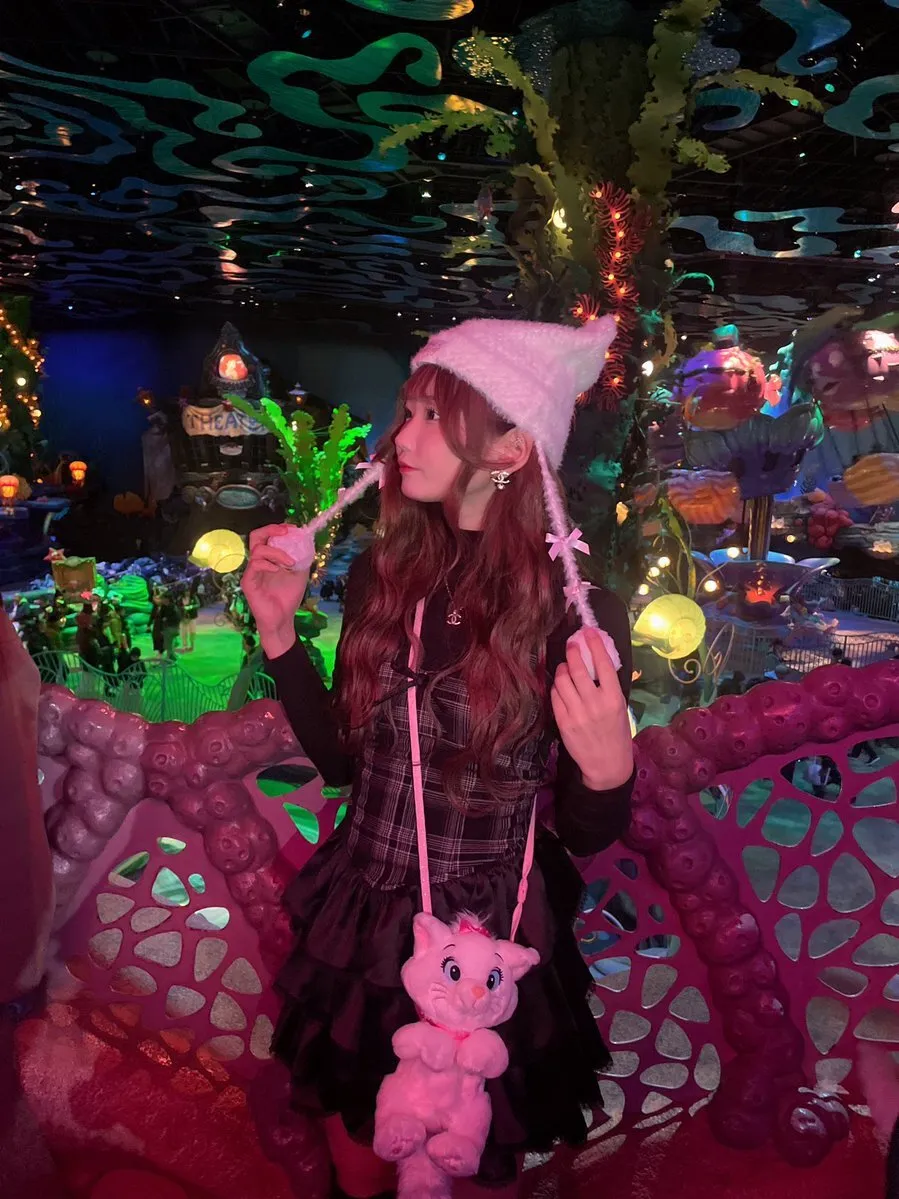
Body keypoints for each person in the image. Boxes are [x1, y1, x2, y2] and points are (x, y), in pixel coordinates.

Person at [242, 316, 633, 1198]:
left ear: (508, 449)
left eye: (431, 418)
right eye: (406, 411)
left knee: (472, 1154)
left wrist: (610, 772)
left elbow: (585, 832)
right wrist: (279, 636)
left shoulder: (574, 611)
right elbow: (343, 765)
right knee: (357, 1157)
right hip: (364, 920)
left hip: (489, 932)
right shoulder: (382, 577)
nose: (399, 440)